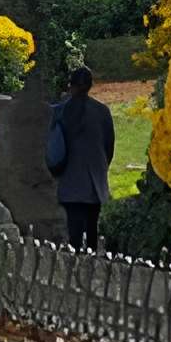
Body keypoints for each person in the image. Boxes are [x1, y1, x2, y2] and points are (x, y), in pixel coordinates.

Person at [46, 66, 115, 248]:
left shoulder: (60, 111)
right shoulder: (102, 111)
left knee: (74, 232)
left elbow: (53, 144)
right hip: (95, 181)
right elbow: (109, 147)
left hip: (70, 180)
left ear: (71, 85)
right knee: (92, 231)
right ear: (91, 85)